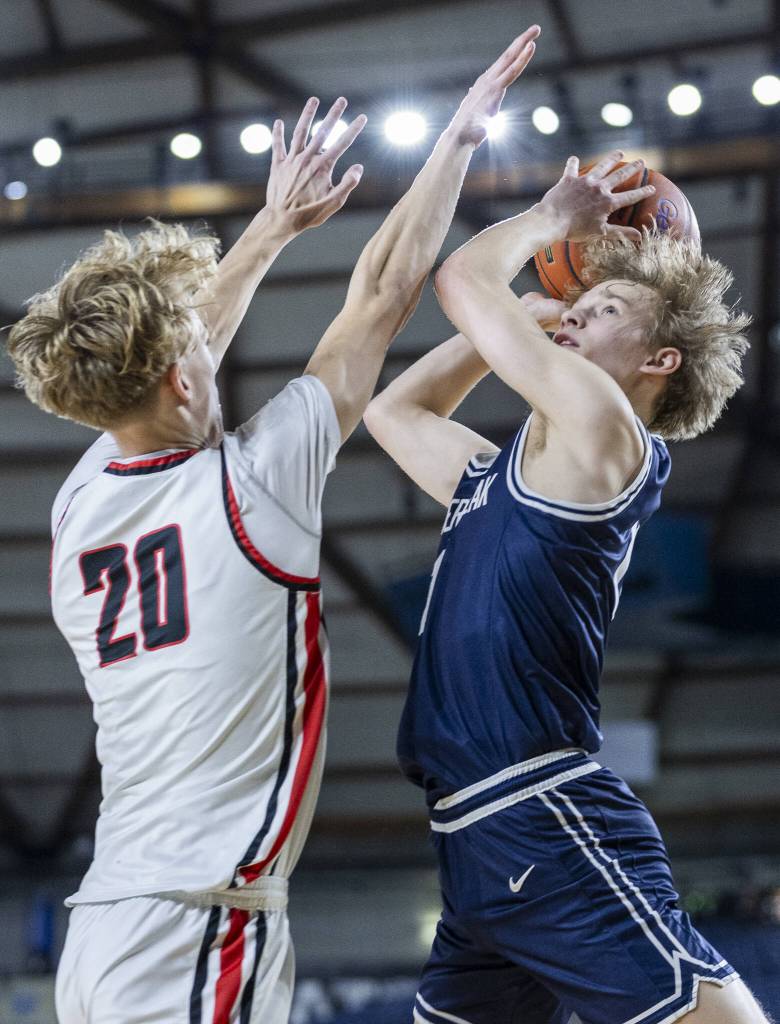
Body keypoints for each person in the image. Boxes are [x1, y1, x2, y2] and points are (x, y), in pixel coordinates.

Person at [5, 26, 541, 1024]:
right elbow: (381, 293)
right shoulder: (254, 488)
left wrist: (272, 228)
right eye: (195, 346)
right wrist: (460, 139)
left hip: (110, 925)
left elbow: (174, 342)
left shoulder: (82, 495)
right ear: (178, 376)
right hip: (198, 925)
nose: (213, 339)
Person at [364, 154, 766, 1024]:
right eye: (579, 304)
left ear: (660, 359)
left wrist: (554, 218)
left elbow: (464, 277)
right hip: (472, 836)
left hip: (541, 807)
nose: (578, 310)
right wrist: (514, 324)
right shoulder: (498, 474)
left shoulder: (606, 432)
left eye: (606, 308)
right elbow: (393, 414)